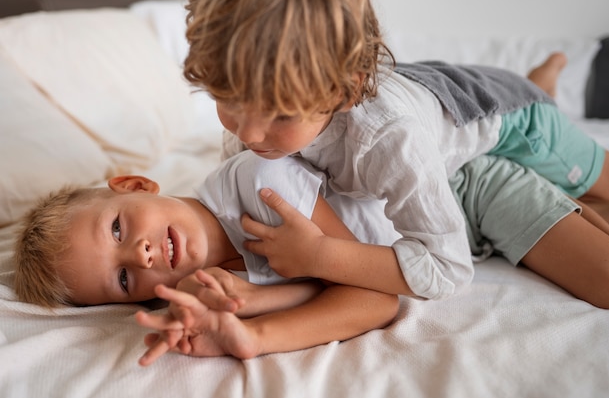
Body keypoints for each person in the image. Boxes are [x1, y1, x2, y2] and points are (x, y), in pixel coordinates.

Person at [182, 0, 609, 305]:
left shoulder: (386, 136)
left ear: (345, 92)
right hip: (432, 112)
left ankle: (538, 85)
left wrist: (323, 256)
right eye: (229, 102)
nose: (249, 133)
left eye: (280, 115)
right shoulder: (254, 123)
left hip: (506, 116)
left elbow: (449, 270)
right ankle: (541, 80)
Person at [13, 150, 400, 363]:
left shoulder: (259, 182)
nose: (141, 255)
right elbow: (332, 291)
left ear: (136, 185)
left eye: (117, 228)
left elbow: (377, 298)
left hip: (455, 190)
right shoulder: (220, 291)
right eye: (124, 279)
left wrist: (261, 333)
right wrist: (250, 320)